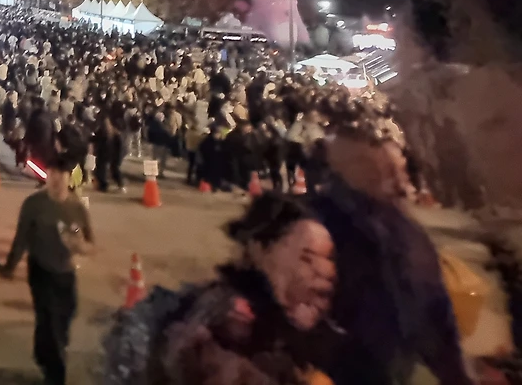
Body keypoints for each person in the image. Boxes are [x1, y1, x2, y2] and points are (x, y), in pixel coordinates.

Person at [311, 127, 472, 385]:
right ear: (344, 169)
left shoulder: (402, 226)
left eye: (400, 170)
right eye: (362, 163)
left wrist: (454, 372)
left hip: (405, 365)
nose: (401, 185)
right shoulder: (316, 226)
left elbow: (435, 303)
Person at [148, 194, 338, 385]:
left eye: (326, 259)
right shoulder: (227, 313)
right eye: (306, 258)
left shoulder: (307, 321)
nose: (321, 271)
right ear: (259, 249)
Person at [0, 153, 93, 385]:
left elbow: (91, 244)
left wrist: (80, 246)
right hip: (40, 270)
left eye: (61, 174)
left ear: (69, 177)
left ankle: (44, 353)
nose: (56, 179)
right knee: (50, 321)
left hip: (66, 272)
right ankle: (55, 374)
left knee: (65, 317)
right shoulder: (33, 205)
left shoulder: (77, 208)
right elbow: (21, 238)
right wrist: (10, 266)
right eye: (52, 174)